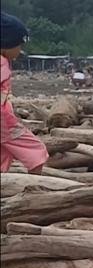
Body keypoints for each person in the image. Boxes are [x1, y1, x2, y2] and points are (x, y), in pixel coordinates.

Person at [1, 13, 48, 174]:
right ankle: (35, 190)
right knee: (36, 151)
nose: (20, 50)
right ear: (6, 44)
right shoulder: (1, 62)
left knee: (4, 154)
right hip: (3, 123)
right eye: (19, 45)